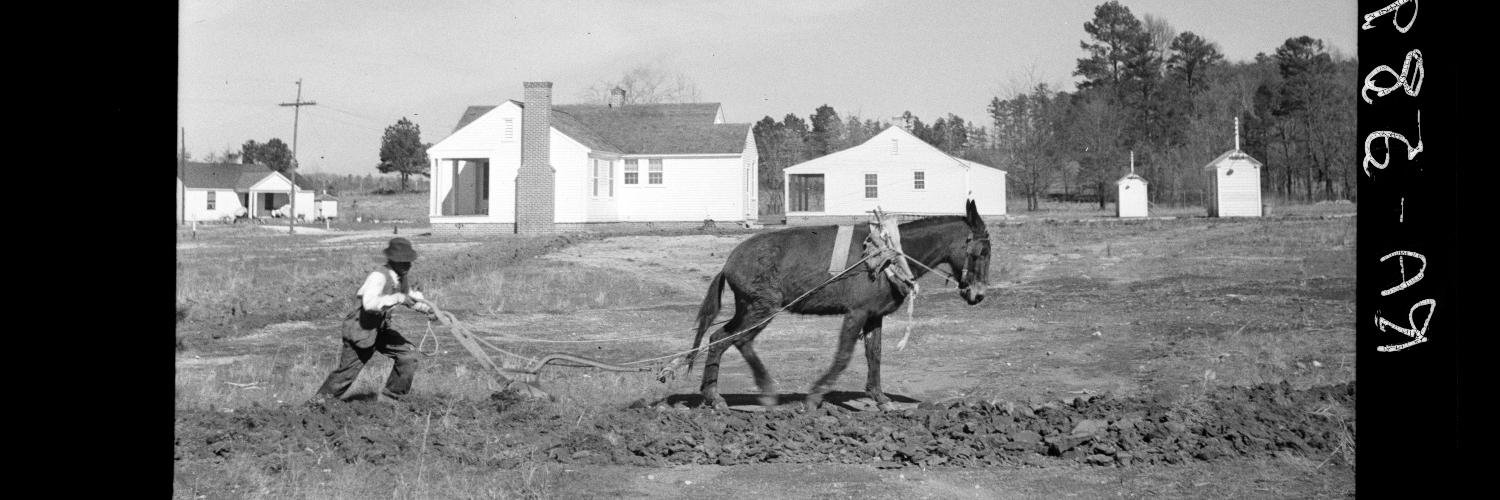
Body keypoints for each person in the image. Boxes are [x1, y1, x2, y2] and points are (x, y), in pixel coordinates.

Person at [314, 237, 436, 402]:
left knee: (409, 356)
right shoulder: (378, 276)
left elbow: (410, 297)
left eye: (409, 262)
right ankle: (316, 404)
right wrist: (398, 298)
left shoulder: (401, 277)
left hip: (380, 329)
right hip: (361, 331)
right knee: (345, 376)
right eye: (403, 262)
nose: (408, 266)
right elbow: (370, 304)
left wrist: (428, 309)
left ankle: (390, 398)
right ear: (393, 260)